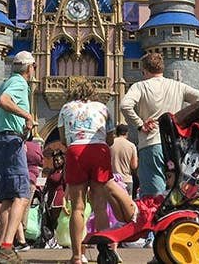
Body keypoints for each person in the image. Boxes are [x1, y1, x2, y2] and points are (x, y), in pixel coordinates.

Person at [57, 76, 140, 264]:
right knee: (100, 206)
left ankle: (77, 256)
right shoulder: (103, 108)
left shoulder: (66, 108)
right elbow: (110, 139)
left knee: (77, 207)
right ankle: (105, 253)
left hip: (76, 151)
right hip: (99, 151)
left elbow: (63, 139)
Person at [119, 51, 199, 196]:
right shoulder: (178, 86)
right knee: (177, 190)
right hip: (176, 144)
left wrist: (140, 124)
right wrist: (186, 123)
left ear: (144, 70)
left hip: (151, 143)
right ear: (162, 68)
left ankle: (158, 218)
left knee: (154, 195)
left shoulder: (140, 86)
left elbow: (125, 106)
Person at [0, 51, 37, 264]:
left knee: (7, 198)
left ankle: (0, 249)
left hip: (0, 140)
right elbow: (3, 101)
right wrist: (26, 116)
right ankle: (8, 247)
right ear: (29, 68)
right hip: (11, 142)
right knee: (22, 195)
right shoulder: (19, 83)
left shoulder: (5, 82)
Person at [109, 123, 138, 197]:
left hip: (113, 180)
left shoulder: (110, 145)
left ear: (116, 132)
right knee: (128, 207)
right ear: (127, 133)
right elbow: (134, 166)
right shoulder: (131, 146)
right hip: (126, 180)